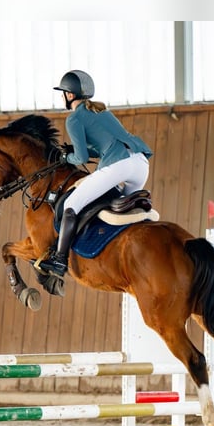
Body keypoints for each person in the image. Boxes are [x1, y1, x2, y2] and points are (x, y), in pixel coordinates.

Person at [40, 69, 153, 278]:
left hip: (120, 165)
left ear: (70, 95)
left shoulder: (74, 119)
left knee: (71, 206)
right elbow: (103, 148)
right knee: (123, 210)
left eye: (64, 93)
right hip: (140, 163)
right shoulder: (102, 111)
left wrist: (66, 158)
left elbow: (81, 159)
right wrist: (76, 151)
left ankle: (59, 260)